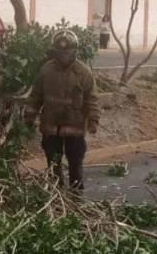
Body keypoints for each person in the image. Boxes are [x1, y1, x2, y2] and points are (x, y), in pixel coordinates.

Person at [26, 30, 101, 191]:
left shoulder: (83, 72)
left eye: (67, 51)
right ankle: (56, 197)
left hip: (75, 127)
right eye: (61, 51)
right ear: (55, 51)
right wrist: (29, 116)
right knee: (53, 164)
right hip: (51, 127)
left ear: (75, 51)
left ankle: (76, 197)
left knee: (75, 164)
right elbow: (35, 96)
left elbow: (92, 98)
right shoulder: (46, 70)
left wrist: (93, 120)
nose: (64, 54)